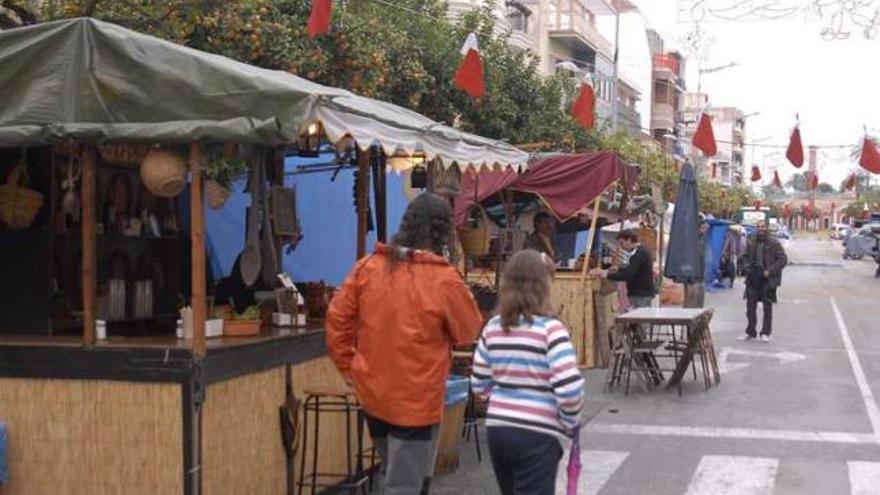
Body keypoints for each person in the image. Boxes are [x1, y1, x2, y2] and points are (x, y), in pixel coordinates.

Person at [325, 192, 483, 495]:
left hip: (374, 395)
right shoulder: (443, 278)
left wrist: (352, 369)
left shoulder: (368, 267)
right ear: (443, 231)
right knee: (404, 485)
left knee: (395, 474)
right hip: (416, 400)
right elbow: (469, 331)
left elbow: (336, 321)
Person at [471, 249, 584, 495]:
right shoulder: (551, 330)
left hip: (498, 430)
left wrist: (504, 398)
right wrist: (568, 422)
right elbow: (570, 388)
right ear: (543, 285)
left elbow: (478, 384)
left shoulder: (492, 327)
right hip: (537, 433)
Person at [739, 220, 788, 342]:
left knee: (767, 308)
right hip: (753, 277)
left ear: (767, 228)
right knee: (750, 307)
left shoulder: (774, 243)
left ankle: (765, 333)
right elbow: (743, 256)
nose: (760, 229)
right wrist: (746, 268)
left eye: (763, 227)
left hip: (767, 279)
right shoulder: (751, 240)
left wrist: (770, 271)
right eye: (758, 227)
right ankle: (750, 332)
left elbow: (783, 260)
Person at [594, 229, 656, 309]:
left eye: (622, 243)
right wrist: (618, 270)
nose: (622, 246)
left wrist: (607, 275)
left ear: (629, 240)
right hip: (642, 293)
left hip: (640, 294)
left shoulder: (638, 255)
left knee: (640, 319)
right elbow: (633, 270)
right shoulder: (640, 252)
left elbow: (628, 275)